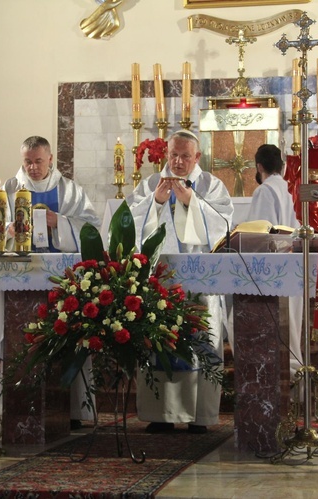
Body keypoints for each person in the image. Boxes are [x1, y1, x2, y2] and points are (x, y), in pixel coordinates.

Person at [127, 129, 233, 434]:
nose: (178, 161)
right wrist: (156, 203)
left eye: (185, 156)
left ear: (197, 157)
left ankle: (200, 416)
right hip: (161, 281)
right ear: (166, 154)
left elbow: (223, 226)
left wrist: (191, 203)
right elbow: (128, 223)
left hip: (201, 284)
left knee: (203, 343)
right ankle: (160, 414)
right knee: (157, 343)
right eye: (173, 154)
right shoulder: (150, 185)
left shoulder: (211, 185)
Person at [3, 135, 101, 428]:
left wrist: (61, 222)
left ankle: (73, 412)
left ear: (50, 160)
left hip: (63, 275)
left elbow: (93, 228)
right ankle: (21, 406)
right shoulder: (9, 188)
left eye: (38, 161)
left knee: (68, 338)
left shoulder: (69, 190)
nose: (32, 167)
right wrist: (6, 229)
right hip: (21, 272)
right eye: (27, 161)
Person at [246, 144, 303, 374]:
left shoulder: (265, 190)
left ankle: (279, 376)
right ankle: (293, 375)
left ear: (259, 166)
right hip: (290, 265)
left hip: (271, 270)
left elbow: (261, 233)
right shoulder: (288, 189)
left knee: (275, 331)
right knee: (291, 330)